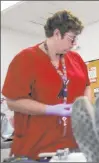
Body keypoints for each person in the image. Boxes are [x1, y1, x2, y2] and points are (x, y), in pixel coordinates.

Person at [2, 10, 91, 160]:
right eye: (71, 38)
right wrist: (49, 109)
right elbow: (12, 102)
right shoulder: (25, 59)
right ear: (57, 33)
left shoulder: (76, 59)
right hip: (35, 148)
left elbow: (87, 85)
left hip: (73, 145)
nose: (74, 44)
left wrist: (86, 105)